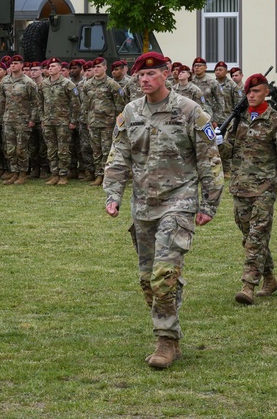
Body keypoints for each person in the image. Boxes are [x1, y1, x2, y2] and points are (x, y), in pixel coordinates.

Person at [103, 51, 224, 369]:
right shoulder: (130, 113)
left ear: (166, 74)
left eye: (151, 73)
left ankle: (166, 341)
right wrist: (112, 194)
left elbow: (209, 158)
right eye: (140, 75)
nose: (144, 79)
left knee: (163, 275)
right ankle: (170, 329)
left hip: (179, 202)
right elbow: (118, 157)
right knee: (148, 280)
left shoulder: (189, 111)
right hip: (143, 206)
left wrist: (209, 202)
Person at [217, 72, 277, 305]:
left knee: (257, 236)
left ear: (266, 93)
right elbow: (230, 152)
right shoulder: (238, 119)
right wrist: (219, 143)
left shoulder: (276, 121)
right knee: (249, 236)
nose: (252, 95)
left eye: (257, 91)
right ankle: (269, 277)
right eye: (249, 92)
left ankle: (248, 285)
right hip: (240, 187)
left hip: (264, 187)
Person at [81, 56, 125, 186]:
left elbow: (120, 105)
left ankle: (108, 176)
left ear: (105, 68)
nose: (96, 69)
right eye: (94, 67)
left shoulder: (112, 85)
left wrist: (118, 123)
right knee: (96, 150)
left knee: (107, 150)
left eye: (99, 66)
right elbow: (85, 105)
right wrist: (86, 121)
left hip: (108, 123)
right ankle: (98, 175)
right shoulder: (87, 85)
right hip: (93, 122)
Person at [1, 55, 40, 185]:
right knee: (10, 148)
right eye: (12, 64)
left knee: (21, 149)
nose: (13, 66)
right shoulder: (5, 81)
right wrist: (3, 115)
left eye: (16, 63)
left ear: (22, 65)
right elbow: (2, 100)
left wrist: (32, 119)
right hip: (8, 119)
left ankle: (23, 173)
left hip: (23, 120)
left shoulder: (28, 82)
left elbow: (35, 103)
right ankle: (14, 172)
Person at [40, 57, 79, 185]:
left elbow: (75, 104)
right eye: (49, 67)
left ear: (60, 69)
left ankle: (63, 175)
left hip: (63, 122)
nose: (50, 69)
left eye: (53, 66)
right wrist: (42, 118)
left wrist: (73, 121)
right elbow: (40, 102)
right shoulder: (44, 84)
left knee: (63, 150)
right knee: (51, 149)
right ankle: (54, 174)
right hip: (49, 122)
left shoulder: (68, 84)